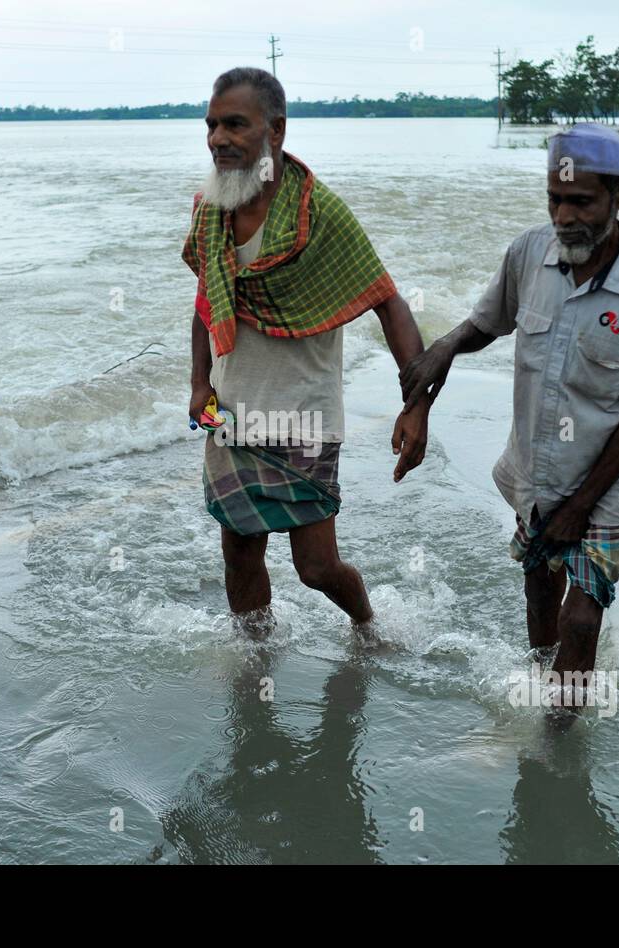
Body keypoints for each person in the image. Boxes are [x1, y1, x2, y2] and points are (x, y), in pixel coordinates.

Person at [398, 123, 619, 699]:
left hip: (609, 478)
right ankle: (544, 686)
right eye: (555, 200)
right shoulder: (529, 252)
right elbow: (488, 322)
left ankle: (561, 738)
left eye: (581, 201)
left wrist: (580, 507)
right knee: (540, 583)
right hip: (536, 466)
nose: (564, 216)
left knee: (580, 618)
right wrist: (443, 349)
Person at [183, 67, 427, 633]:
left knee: (315, 567)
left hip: (304, 416)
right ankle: (256, 664)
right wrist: (199, 383)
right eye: (212, 124)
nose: (218, 137)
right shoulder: (210, 210)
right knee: (240, 554)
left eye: (235, 124)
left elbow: (389, 303)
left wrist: (417, 404)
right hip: (231, 411)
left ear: (276, 131)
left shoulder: (320, 216)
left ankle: (368, 628)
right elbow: (205, 304)